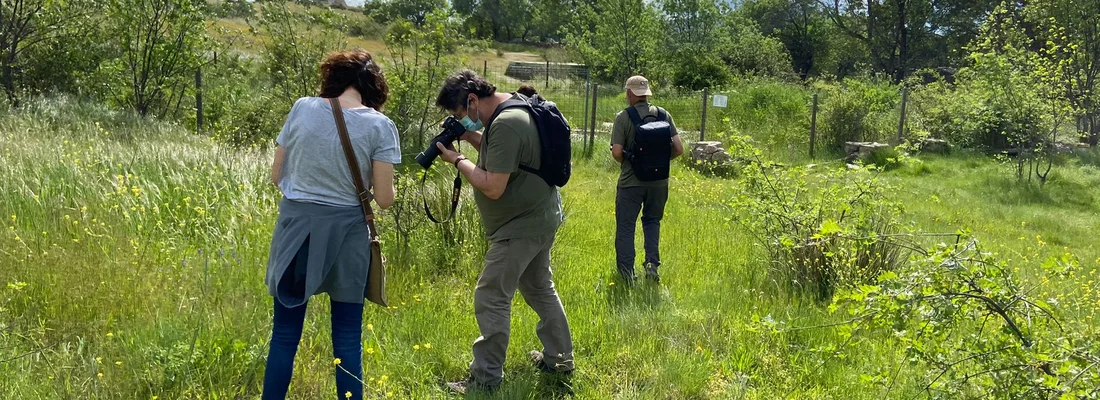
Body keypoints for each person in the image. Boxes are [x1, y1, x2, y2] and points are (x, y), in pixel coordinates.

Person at [263, 49, 400, 400]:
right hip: (348, 236)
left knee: (284, 334)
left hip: (297, 231)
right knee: (347, 336)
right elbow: (384, 199)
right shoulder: (379, 125)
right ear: (374, 87)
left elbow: (276, 175)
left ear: (332, 78)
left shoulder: (302, 108)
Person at [432, 70, 575, 393]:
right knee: (540, 288)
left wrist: (457, 160)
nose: (462, 120)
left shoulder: (507, 123)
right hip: (540, 216)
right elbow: (507, 155)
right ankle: (560, 359)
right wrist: (470, 138)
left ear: (471, 100)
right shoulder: (514, 106)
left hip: (520, 226)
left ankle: (485, 379)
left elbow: (493, 186)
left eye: (460, 115)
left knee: (492, 296)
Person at [610, 75, 684, 284]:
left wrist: (636, 161)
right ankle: (652, 265)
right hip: (659, 182)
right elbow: (679, 149)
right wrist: (657, 161)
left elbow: (616, 153)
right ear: (647, 93)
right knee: (652, 222)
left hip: (630, 183)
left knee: (626, 227)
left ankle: (627, 275)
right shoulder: (664, 114)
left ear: (630, 94)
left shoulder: (623, 117)